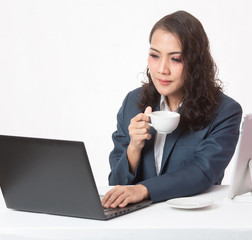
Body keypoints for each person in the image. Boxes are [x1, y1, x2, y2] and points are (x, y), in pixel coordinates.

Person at [101, 10, 242, 209]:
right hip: (137, 224)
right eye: (154, 56)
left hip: (193, 222)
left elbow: (202, 172)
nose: (162, 69)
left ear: (196, 62)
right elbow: (115, 183)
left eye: (176, 59)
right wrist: (134, 147)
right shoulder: (133, 102)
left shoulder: (225, 111)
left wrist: (143, 189)